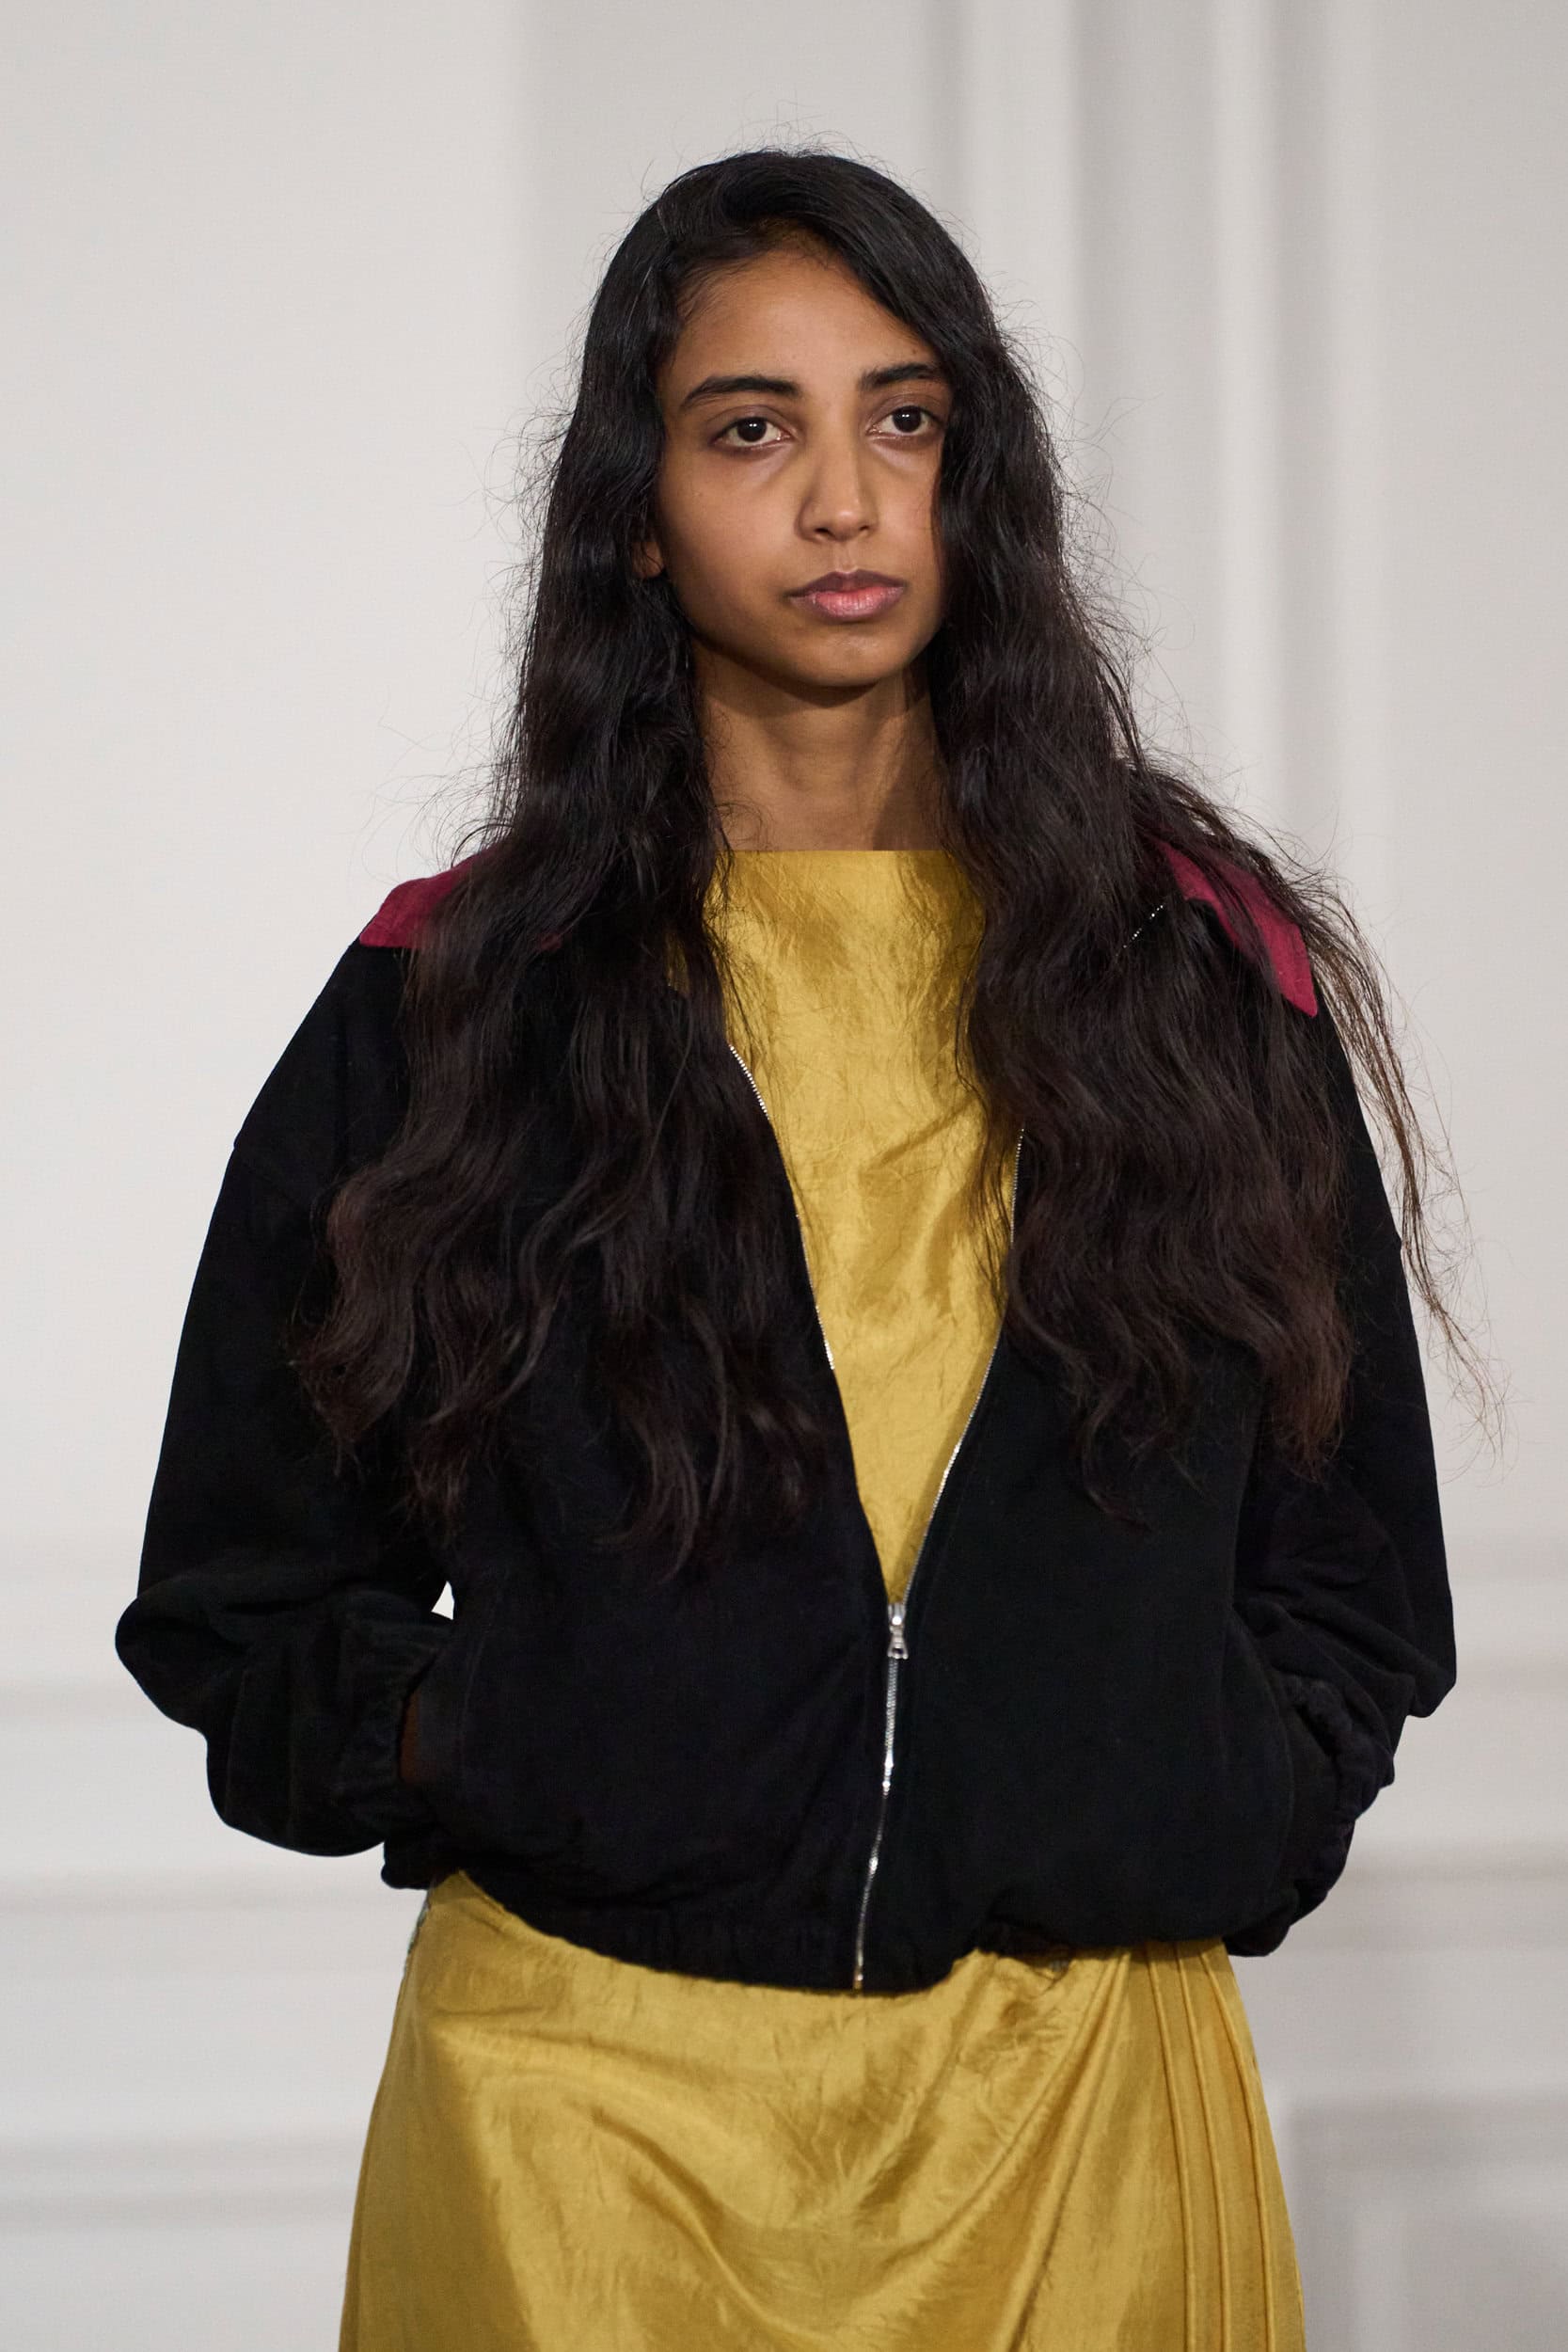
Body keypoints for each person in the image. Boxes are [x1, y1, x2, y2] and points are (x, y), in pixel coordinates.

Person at [116, 148, 1483, 2349]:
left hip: (1080, 2114)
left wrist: (1209, 1792)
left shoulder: (1196, 980)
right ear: (639, 514)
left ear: (977, 473)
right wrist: (504, 1742)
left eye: (904, 419)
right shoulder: (452, 998)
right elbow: (239, 1589)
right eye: (753, 428)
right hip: (573, 2131)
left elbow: (1354, 1573)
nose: (846, 498)